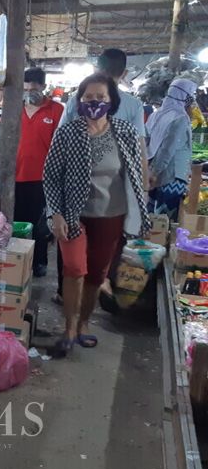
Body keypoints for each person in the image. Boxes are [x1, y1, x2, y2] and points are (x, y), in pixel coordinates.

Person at [43, 73, 150, 357]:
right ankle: (68, 328)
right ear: (79, 101)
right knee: (75, 268)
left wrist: (142, 208)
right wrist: (56, 213)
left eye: (100, 97)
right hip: (73, 213)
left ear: (111, 101)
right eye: (88, 97)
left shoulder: (125, 132)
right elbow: (51, 176)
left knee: (95, 275)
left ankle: (84, 324)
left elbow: (136, 172)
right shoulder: (68, 133)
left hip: (111, 215)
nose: (94, 102)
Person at [14, 68, 64, 278]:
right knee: (17, 219)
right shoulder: (15, 109)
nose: (29, 91)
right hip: (15, 175)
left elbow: (61, 146)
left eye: (34, 87)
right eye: (25, 87)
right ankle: (17, 259)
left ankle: (39, 262)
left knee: (40, 223)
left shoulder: (56, 110)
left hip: (43, 178)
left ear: (43, 87)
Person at [57, 49, 146, 138]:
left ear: (96, 71)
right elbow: (139, 143)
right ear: (125, 73)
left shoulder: (76, 100)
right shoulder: (134, 105)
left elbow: (59, 137)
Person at [147, 78, 197, 219]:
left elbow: (148, 143)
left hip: (154, 173)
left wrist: (151, 172)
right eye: (190, 97)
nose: (192, 102)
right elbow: (167, 149)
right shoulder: (179, 118)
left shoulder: (156, 114)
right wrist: (155, 173)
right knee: (166, 219)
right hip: (172, 176)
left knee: (154, 217)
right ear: (183, 97)